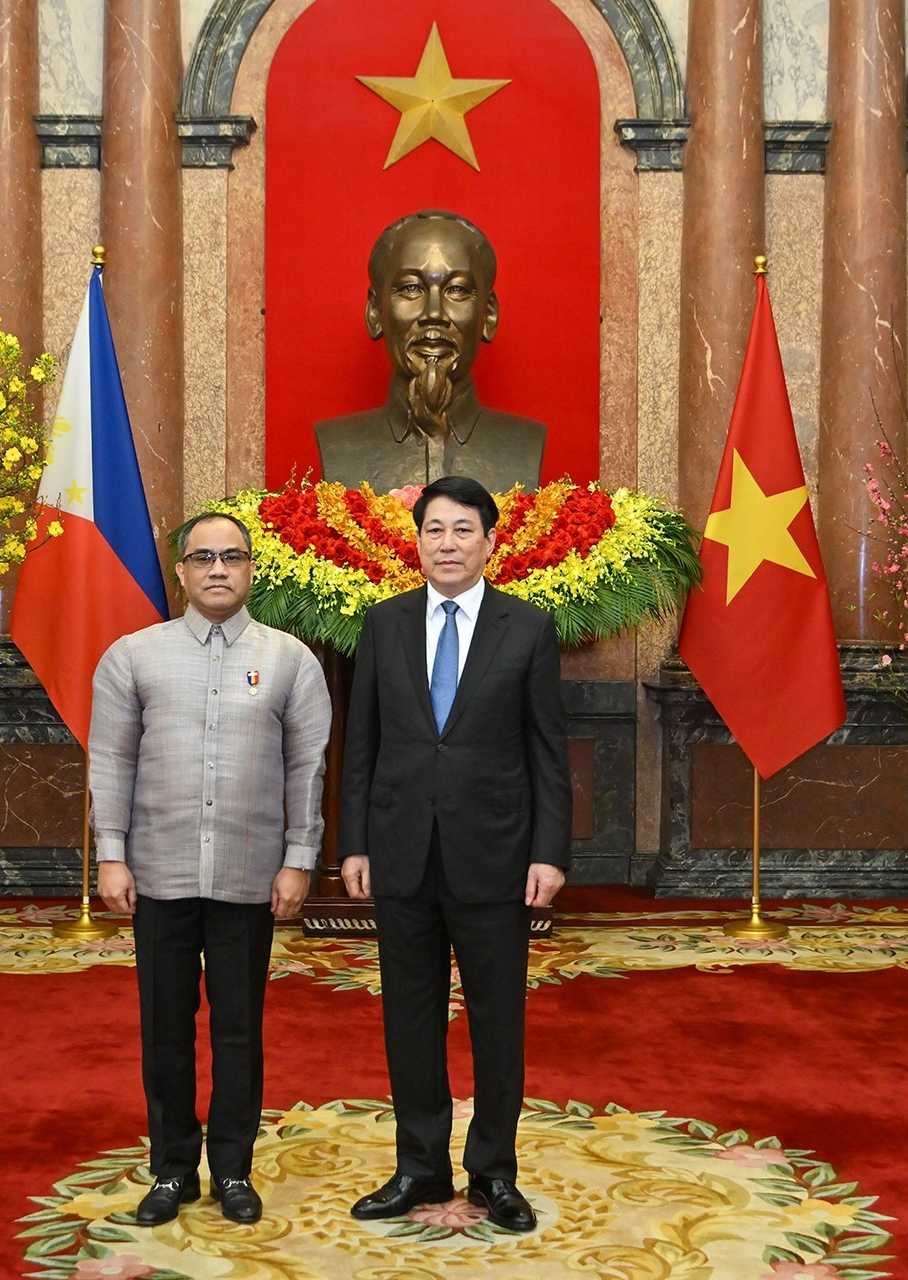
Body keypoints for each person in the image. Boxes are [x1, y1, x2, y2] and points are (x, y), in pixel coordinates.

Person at [338, 473, 571, 1233]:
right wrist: (354, 842)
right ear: (416, 542)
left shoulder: (526, 627)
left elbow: (547, 751)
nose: (447, 543)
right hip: (402, 851)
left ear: (490, 542)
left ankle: (494, 1172)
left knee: (497, 1023)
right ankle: (419, 1166)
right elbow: (362, 742)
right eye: (434, 529)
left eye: (463, 529)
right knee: (409, 1019)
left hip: (496, 856)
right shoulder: (384, 623)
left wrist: (549, 852)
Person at [89, 512, 333, 1227]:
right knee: (165, 1029)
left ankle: (232, 1168)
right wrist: (111, 853)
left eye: (232, 557)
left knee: (238, 1029)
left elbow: (308, 770)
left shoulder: (290, 660)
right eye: (203, 558)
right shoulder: (133, 655)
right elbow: (112, 761)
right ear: (182, 572)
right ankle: (172, 1169)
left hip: (248, 876)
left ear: (252, 568)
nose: (218, 569)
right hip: (158, 872)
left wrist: (298, 860)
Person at [315, 210, 546, 493]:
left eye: (457, 290)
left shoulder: (525, 445)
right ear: (375, 312)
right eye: (411, 288)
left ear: (488, 314)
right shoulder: (339, 445)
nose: (434, 313)